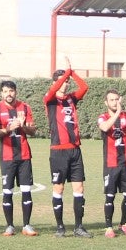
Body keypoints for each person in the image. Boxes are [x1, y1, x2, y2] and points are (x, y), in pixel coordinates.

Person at [43, 58, 92, 238]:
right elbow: (54, 89)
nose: (64, 84)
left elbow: (84, 87)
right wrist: (65, 75)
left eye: (66, 82)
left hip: (75, 150)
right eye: (61, 81)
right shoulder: (50, 99)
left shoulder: (71, 99)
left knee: (79, 188)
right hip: (58, 151)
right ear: (54, 83)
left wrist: (72, 73)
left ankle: (79, 227)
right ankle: (60, 227)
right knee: (59, 189)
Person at [0, 80, 38, 237]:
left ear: (16, 92)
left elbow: (33, 131)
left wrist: (22, 126)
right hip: (7, 156)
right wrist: (9, 128)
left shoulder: (25, 107)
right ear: (1, 93)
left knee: (26, 190)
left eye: (11, 91)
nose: (8, 94)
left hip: (24, 156)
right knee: (7, 191)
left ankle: (27, 225)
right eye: (5, 91)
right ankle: (9, 226)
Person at [96, 89, 126, 238]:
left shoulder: (125, 115)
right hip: (111, 163)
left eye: (116, 99)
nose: (114, 102)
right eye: (111, 100)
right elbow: (105, 127)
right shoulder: (103, 117)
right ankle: (109, 227)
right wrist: (118, 113)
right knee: (110, 196)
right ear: (106, 102)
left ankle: (123, 224)